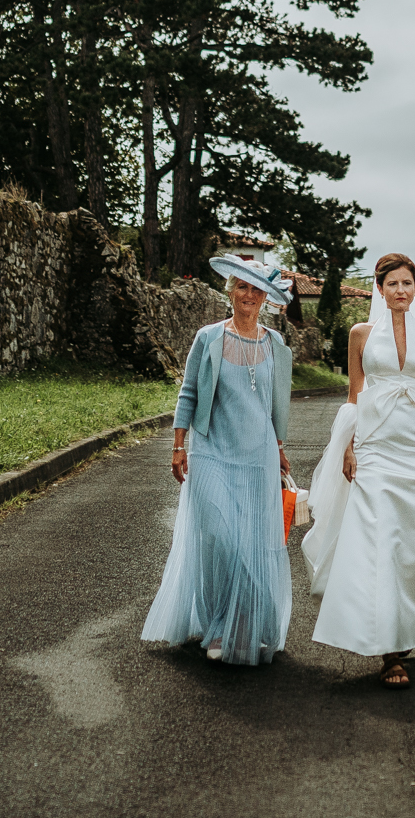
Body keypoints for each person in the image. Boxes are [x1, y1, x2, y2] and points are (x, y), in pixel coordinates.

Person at [302, 253, 415, 688]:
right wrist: (349, 447)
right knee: (381, 539)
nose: (400, 290)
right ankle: (389, 652)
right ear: (380, 289)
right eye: (392, 284)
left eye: (407, 283)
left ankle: (411, 626)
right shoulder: (360, 334)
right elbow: (354, 395)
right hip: (374, 445)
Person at [140, 256, 295, 665]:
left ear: (266, 298)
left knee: (252, 544)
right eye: (242, 286)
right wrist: (178, 445)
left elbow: (278, 404)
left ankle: (241, 625)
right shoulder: (208, 337)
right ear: (230, 291)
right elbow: (189, 391)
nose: (249, 295)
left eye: (257, 289)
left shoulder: (276, 346)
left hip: (259, 457)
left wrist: (279, 449)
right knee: (219, 538)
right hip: (211, 451)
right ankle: (216, 621)